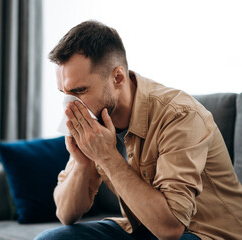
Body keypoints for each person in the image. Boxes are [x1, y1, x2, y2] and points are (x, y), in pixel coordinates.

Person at [35, 21, 242, 240]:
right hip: (142, 229)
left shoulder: (180, 115)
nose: (69, 106)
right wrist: (82, 162)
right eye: (64, 93)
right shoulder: (95, 120)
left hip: (205, 232)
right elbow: (65, 214)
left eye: (80, 91)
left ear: (118, 78)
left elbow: (170, 229)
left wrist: (107, 157)